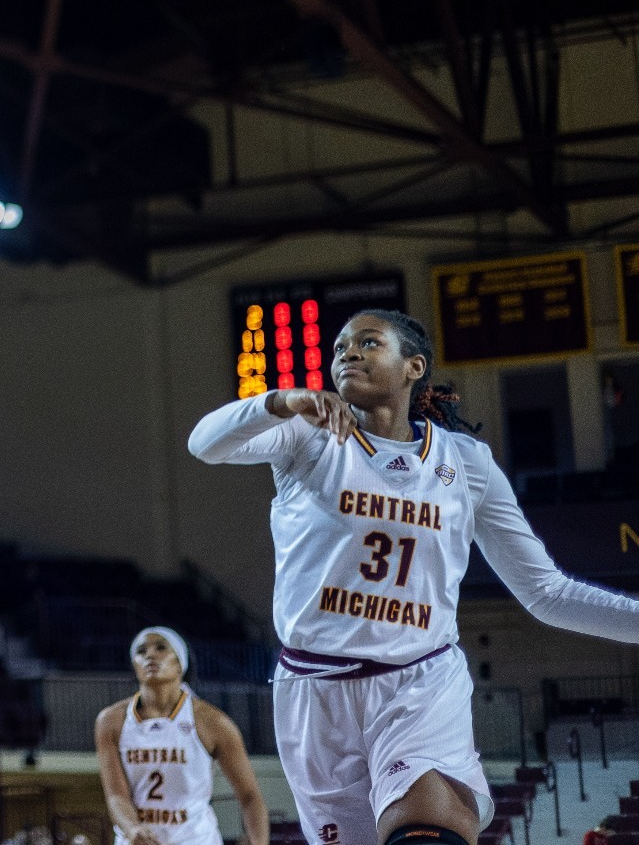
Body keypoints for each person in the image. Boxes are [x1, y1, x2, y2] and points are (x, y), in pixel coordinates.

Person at [189, 308, 639, 845]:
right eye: (339, 348)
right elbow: (204, 443)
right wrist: (282, 401)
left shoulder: (466, 462)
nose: (348, 354)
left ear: (413, 366)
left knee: (427, 828)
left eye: (369, 342)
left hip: (419, 682)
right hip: (314, 691)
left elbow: (546, 593)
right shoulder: (307, 438)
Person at [92, 627, 266, 845]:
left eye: (161, 648)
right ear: (134, 665)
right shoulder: (111, 721)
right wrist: (132, 828)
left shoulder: (213, 722)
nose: (150, 655)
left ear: (180, 664)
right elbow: (116, 796)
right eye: (141, 651)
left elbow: (250, 796)